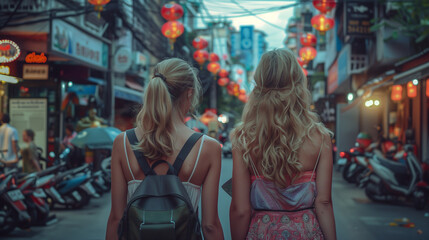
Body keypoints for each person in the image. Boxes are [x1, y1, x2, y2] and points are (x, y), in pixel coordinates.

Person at [106, 58, 224, 240]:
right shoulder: (208, 147)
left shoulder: (122, 143)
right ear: (190, 93)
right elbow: (210, 226)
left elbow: (116, 219)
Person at [229, 49, 336, 240]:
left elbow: (241, 210)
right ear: (297, 82)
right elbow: (324, 202)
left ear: (259, 84)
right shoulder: (321, 137)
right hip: (307, 233)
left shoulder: (243, 138)